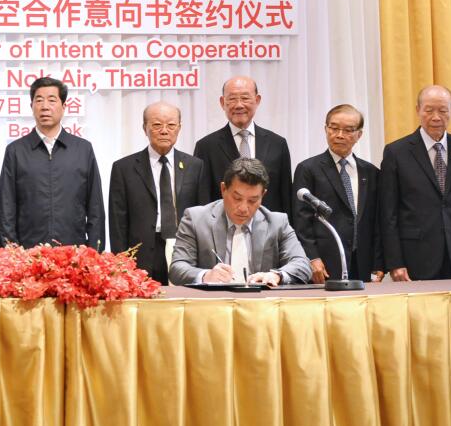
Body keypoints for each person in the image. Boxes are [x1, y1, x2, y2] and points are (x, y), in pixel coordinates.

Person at [380, 85, 451, 281]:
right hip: (415, 256)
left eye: (443, 110)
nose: (436, 117)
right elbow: (388, 213)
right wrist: (395, 262)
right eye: (429, 110)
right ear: (418, 110)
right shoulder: (396, 152)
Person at [108, 101, 210, 284]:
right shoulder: (123, 168)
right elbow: (117, 222)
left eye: (171, 125)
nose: (164, 131)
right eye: (156, 125)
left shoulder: (195, 166)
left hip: (184, 251)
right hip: (140, 254)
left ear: (179, 128)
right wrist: (121, 263)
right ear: (144, 128)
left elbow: (203, 216)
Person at [0, 77, 104, 249]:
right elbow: (6, 207)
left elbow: (95, 206)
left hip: (74, 252)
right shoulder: (16, 151)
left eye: (52, 100)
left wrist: (94, 251)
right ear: (31, 106)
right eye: (39, 100)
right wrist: (13, 252)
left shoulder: (83, 149)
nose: (45, 106)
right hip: (29, 253)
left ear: (64, 106)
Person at [169, 157, 311, 286]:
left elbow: (302, 264)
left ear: (263, 195)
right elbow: (177, 268)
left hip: (261, 303)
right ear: (223, 189)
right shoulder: (195, 219)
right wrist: (206, 275)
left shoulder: (277, 222)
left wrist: (276, 275)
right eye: (237, 198)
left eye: (252, 200)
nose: (243, 208)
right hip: (214, 303)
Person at [291, 104, 384, 284]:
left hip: (363, 262)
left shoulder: (371, 172)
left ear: (359, 134)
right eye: (334, 128)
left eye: (348, 130)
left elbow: (377, 221)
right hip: (324, 264)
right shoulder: (308, 169)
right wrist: (312, 257)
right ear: (326, 129)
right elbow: (301, 220)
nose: (339, 135)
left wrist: (378, 262)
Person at [193, 76, 294, 214]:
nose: (239, 105)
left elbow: (286, 196)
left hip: (268, 225)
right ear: (222, 102)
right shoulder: (206, 147)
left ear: (257, 100)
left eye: (245, 98)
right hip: (223, 224)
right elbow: (203, 198)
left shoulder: (277, 144)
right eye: (232, 99)